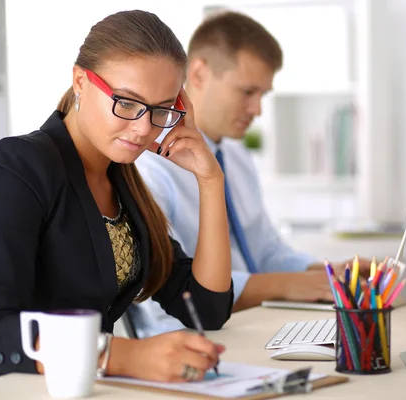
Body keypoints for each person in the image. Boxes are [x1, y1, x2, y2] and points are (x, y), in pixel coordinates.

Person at [0, 10, 233, 389]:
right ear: (80, 81)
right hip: (0, 390)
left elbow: (205, 309)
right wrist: (121, 355)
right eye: (127, 102)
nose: (144, 128)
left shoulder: (122, 179)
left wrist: (210, 180)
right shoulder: (18, 167)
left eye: (161, 109)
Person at [131, 11, 369, 338]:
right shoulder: (148, 166)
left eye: (262, 95)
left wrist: (330, 274)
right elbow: (171, 287)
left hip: (249, 324)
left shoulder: (236, 156)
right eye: (247, 92)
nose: (257, 109)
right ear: (199, 74)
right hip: (189, 334)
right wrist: (288, 285)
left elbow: (266, 251)